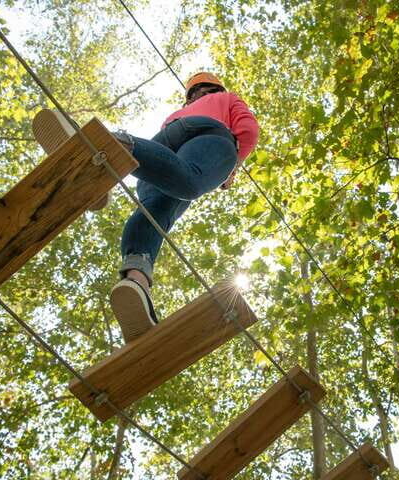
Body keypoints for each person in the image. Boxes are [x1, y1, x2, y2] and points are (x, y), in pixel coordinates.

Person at [32, 72, 260, 343]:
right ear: (216, 88)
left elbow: (168, 154)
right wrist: (233, 164)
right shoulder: (228, 98)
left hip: (162, 142)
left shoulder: (179, 112)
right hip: (209, 135)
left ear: (192, 95)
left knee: (153, 213)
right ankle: (103, 143)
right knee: (190, 182)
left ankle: (136, 282)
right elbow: (248, 129)